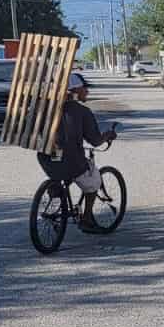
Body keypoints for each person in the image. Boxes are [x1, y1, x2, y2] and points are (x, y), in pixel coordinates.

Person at [44, 70, 115, 232]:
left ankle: (55, 190)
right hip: (71, 160)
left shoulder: (47, 108)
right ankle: (87, 220)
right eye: (84, 88)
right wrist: (108, 135)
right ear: (75, 90)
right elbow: (95, 141)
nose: (87, 91)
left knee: (60, 171)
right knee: (93, 183)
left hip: (46, 158)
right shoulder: (82, 111)